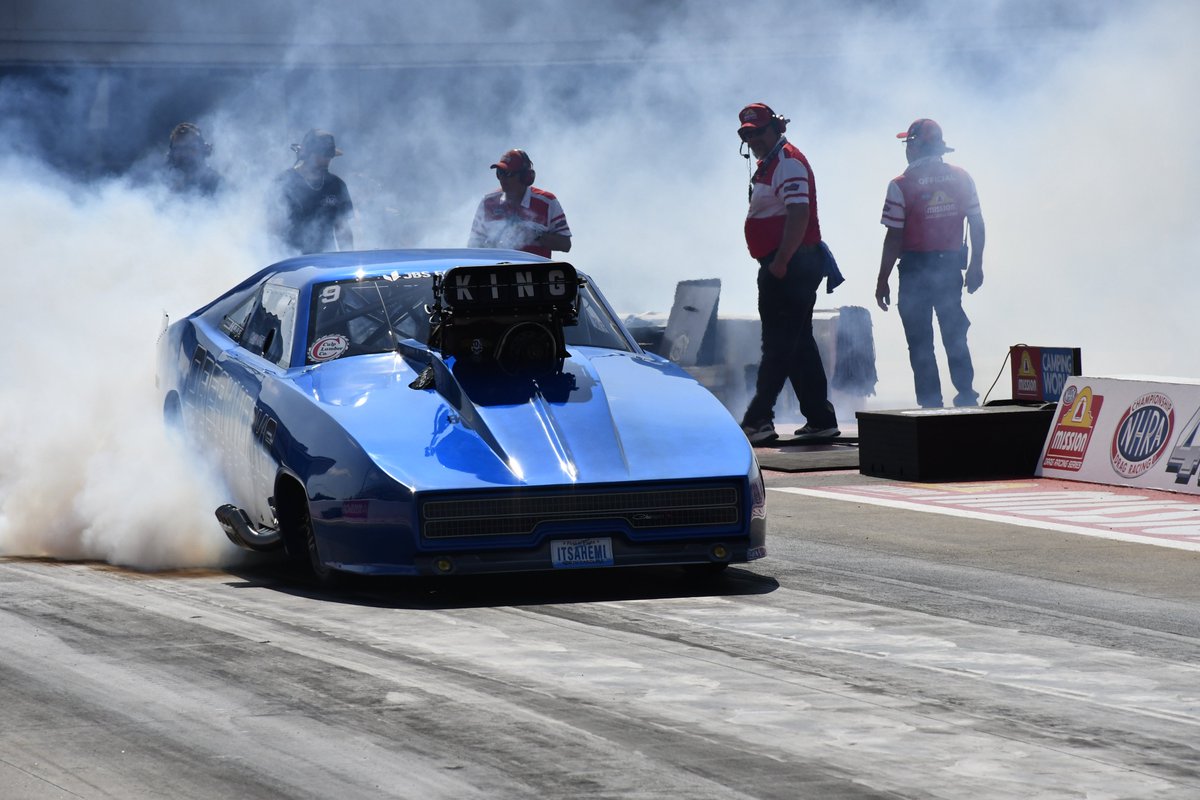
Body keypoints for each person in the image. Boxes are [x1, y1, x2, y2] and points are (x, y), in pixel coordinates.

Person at [736, 102, 839, 445]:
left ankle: (758, 418)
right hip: (790, 264)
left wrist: (780, 261)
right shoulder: (773, 162)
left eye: (758, 132)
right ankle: (820, 417)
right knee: (797, 344)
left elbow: (799, 214)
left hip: (790, 266)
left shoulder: (787, 161)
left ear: (776, 129)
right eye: (747, 135)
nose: (753, 140)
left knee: (778, 344)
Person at [875, 118, 985, 408]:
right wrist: (976, 265)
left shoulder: (901, 184)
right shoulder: (962, 177)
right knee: (954, 332)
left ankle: (930, 403)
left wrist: (882, 279)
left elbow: (894, 237)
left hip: (913, 270)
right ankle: (966, 394)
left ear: (914, 146)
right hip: (949, 268)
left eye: (907, 143)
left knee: (920, 340)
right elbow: (977, 222)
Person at [468, 149, 571, 258]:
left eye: (508, 174)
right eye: (499, 173)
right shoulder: (488, 202)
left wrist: (536, 235)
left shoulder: (547, 202)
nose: (502, 179)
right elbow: (473, 245)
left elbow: (565, 245)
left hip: (537, 273)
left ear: (525, 177)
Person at [270, 129, 355, 255]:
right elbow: (273, 230)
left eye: (329, 156)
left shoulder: (337, 185)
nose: (326, 161)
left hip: (326, 262)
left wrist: (348, 259)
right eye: (321, 154)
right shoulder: (283, 183)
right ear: (307, 154)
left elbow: (342, 229)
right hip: (290, 263)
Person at [162, 122, 221, 197]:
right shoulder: (164, 186)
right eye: (178, 149)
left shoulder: (218, 184)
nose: (184, 153)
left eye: (189, 147)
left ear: (202, 149)